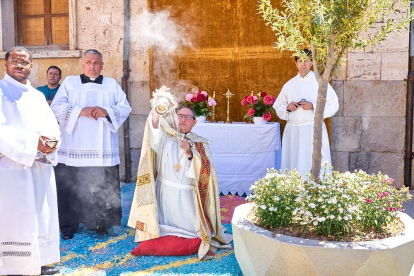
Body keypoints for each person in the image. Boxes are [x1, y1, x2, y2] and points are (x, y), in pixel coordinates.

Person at [128, 88, 232, 260]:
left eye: (187, 117)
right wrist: (155, 113)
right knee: (163, 225)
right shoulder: (166, 137)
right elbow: (153, 138)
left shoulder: (200, 143)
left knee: (192, 231)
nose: (183, 120)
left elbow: (206, 171)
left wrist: (191, 154)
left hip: (187, 197)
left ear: (194, 122)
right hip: (165, 193)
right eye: (180, 116)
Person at [50, 49, 132, 240]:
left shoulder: (111, 84)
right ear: (82, 64)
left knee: (100, 184)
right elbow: (56, 107)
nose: (92, 66)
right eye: (89, 62)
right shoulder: (70, 82)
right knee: (71, 185)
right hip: (74, 146)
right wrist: (80, 110)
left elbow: (125, 107)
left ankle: (99, 223)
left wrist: (106, 110)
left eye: (96, 63)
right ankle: (68, 225)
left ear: (102, 65)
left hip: (101, 147)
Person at [0, 46, 60, 275]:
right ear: (5, 64)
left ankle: (38, 262)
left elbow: (51, 127)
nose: (19, 65)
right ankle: (12, 266)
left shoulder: (37, 96)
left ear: (31, 67)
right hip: (11, 169)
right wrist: (32, 142)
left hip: (38, 165)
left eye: (24, 62)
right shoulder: (0, 91)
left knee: (40, 213)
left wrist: (51, 143)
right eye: (14, 61)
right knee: (15, 215)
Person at [273, 49, 339, 177]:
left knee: (312, 162)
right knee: (293, 164)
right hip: (293, 131)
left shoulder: (320, 83)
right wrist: (287, 107)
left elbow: (334, 104)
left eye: (307, 61)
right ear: (296, 63)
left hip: (312, 129)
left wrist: (313, 106)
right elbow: (278, 106)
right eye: (300, 61)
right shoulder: (289, 85)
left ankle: (316, 192)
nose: (303, 64)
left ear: (312, 63)